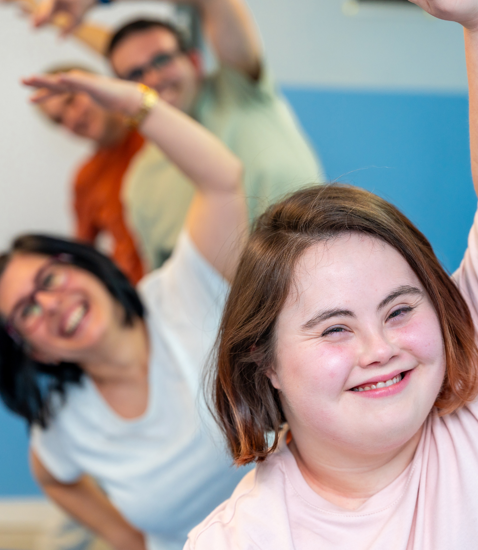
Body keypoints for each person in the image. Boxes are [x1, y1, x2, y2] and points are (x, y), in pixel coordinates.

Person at [185, 0, 478, 548]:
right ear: (265, 362)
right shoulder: (241, 539)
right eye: (334, 328)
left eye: (400, 310)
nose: (379, 349)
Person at [0, 70, 248, 550]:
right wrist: (127, 539)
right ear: (34, 351)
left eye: (49, 279)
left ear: (89, 266)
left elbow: (223, 179)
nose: (51, 304)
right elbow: (54, 479)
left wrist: (137, 102)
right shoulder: (63, 421)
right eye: (27, 311)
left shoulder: (186, 288)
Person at [27, 0, 325, 270]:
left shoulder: (239, 92)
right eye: (135, 75)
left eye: (161, 61)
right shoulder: (140, 185)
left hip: (326, 269)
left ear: (194, 61)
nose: (153, 78)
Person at [37, 65, 146, 284]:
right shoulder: (86, 178)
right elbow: (82, 254)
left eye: (71, 101)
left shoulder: (155, 127)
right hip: (141, 292)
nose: (72, 119)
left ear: (97, 85)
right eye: (59, 120)